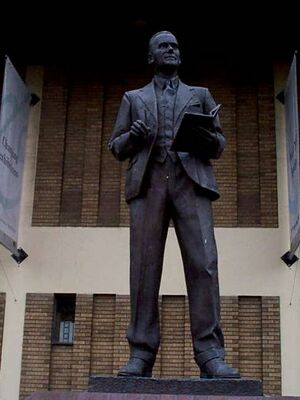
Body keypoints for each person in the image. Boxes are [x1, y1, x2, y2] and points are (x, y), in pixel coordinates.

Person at [108, 31, 240, 379]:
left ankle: (210, 353)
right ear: (151, 57)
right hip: (149, 183)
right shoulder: (132, 98)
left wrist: (208, 136)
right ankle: (140, 353)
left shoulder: (199, 95)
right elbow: (116, 147)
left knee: (204, 264)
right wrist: (133, 136)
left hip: (190, 182)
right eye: (163, 46)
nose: (172, 49)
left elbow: (218, 144)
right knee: (144, 268)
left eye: (176, 46)